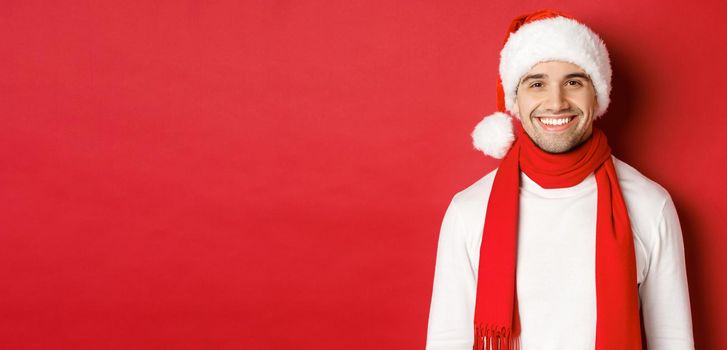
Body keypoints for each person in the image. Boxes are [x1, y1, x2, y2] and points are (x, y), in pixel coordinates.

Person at [425, 9, 695, 350]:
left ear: (597, 94)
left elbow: (673, 340)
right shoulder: (469, 210)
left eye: (574, 82)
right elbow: (447, 340)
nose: (555, 102)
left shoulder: (650, 205)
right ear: (515, 100)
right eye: (537, 83)